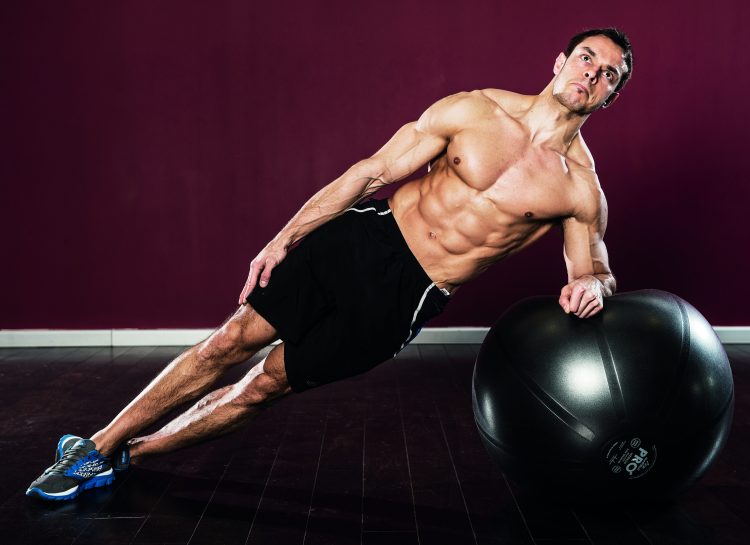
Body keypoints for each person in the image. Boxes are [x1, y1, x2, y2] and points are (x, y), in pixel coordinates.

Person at [27, 27, 633, 500]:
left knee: (263, 386)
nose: (593, 74)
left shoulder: (579, 189)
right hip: (363, 241)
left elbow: (594, 267)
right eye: (587, 58)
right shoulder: (474, 110)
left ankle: (136, 453)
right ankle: (95, 447)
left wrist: (595, 289)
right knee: (228, 342)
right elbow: (371, 172)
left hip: (409, 294)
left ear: (610, 96)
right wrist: (284, 238)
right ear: (561, 60)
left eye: (609, 74)